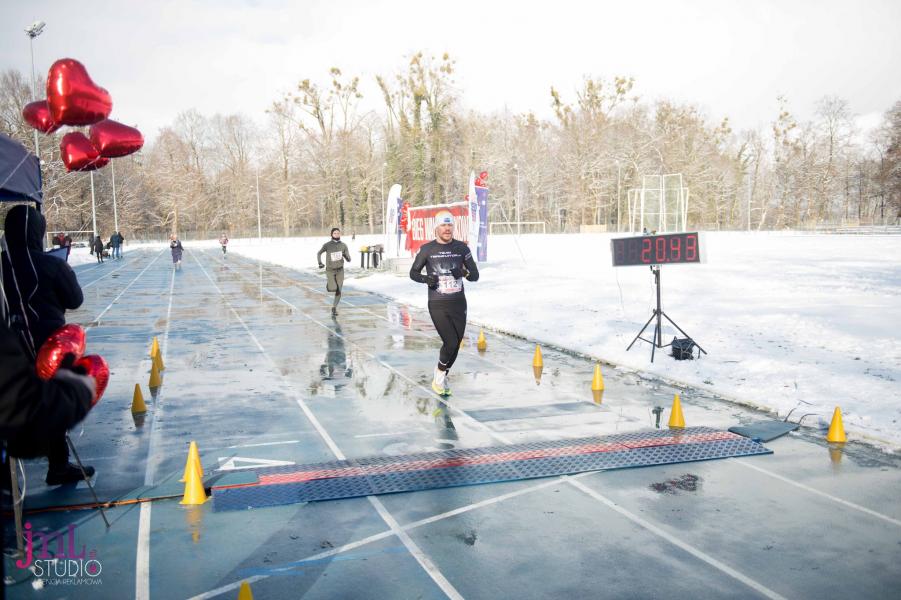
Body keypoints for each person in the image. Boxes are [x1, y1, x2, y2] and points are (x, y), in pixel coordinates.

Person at [1, 204, 95, 484]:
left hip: (10, 348)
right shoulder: (51, 265)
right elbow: (75, 299)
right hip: (46, 345)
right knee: (51, 398)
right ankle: (58, 466)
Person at [409, 210, 479, 396]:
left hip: (458, 303)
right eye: (443, 225)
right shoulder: (427, 249)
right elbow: (413, 273)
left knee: (455, 345)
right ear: (436, 228)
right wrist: (426, 279)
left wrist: (463, 273)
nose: (447, 229)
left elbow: (475, 276)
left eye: (450, 225)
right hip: (438, 303)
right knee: (450, 342)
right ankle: (439, 376)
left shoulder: (462, 248)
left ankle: (442, 375)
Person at [316, 227, 351, 316]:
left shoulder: (343, 245)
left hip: (340, 271)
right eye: (335, 233)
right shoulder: (327, 245)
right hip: (330, 270)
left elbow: (349, 259)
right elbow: (319, 253)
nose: (337, 234)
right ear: (331, 234)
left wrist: (345, 256)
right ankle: (330, 286)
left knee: (339, 290)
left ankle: (334, 308)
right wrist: (320, 263)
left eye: (338, 233)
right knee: (333, 288)